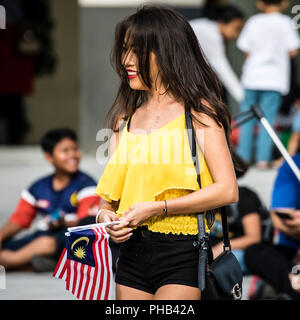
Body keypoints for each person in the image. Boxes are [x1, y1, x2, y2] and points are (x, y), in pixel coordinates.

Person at [95, 5, 239, 300]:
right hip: (130, 254)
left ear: (167, 52)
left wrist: (158, 208)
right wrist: (104, 218)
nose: (126, 61)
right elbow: (109, 200)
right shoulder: (126, 119)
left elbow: (227, 190)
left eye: (136, 51)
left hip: (182, 254)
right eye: (124, 50)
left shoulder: (200, 114)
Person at [0, 128, 100, 271]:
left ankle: (12, 262)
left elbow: (88, 223)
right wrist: (1, 235)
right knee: (9, 244)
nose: (73, 155)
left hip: (70, 236)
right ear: (48, 156)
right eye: (65, 151)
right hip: (42, 234)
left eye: (75, 149)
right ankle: (40, 262)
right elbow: (20, 219)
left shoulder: (87, 184)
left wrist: (63, 222)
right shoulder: (38, 187)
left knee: (48, 243)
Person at [236, 0, 300, 170]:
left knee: (246, 119)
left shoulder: (253, 21)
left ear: (260, 3)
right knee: (267, 119)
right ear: (284, 3)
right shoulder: (286, 23)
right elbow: (293, 50)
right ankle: (262, 160)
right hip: (274, 78)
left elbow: (246, 49)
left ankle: (242, 159)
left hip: (252, 77)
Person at [244, 153, 300, 300]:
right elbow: (279, 217)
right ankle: (293, 281)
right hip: (292, 247)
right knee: (255, 253)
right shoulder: (293, 165)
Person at [209, 152, 268, 275]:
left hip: (236, 250)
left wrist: (221, 247)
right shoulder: (204, 197)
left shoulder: (244, 196)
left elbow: (254, 237)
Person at [189, 4, 245, 104]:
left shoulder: (206, 27)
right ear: (222, 22)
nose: (236, 35)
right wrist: (243, 98)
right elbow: (222, 70)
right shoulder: (211, 36)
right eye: (236, 28)